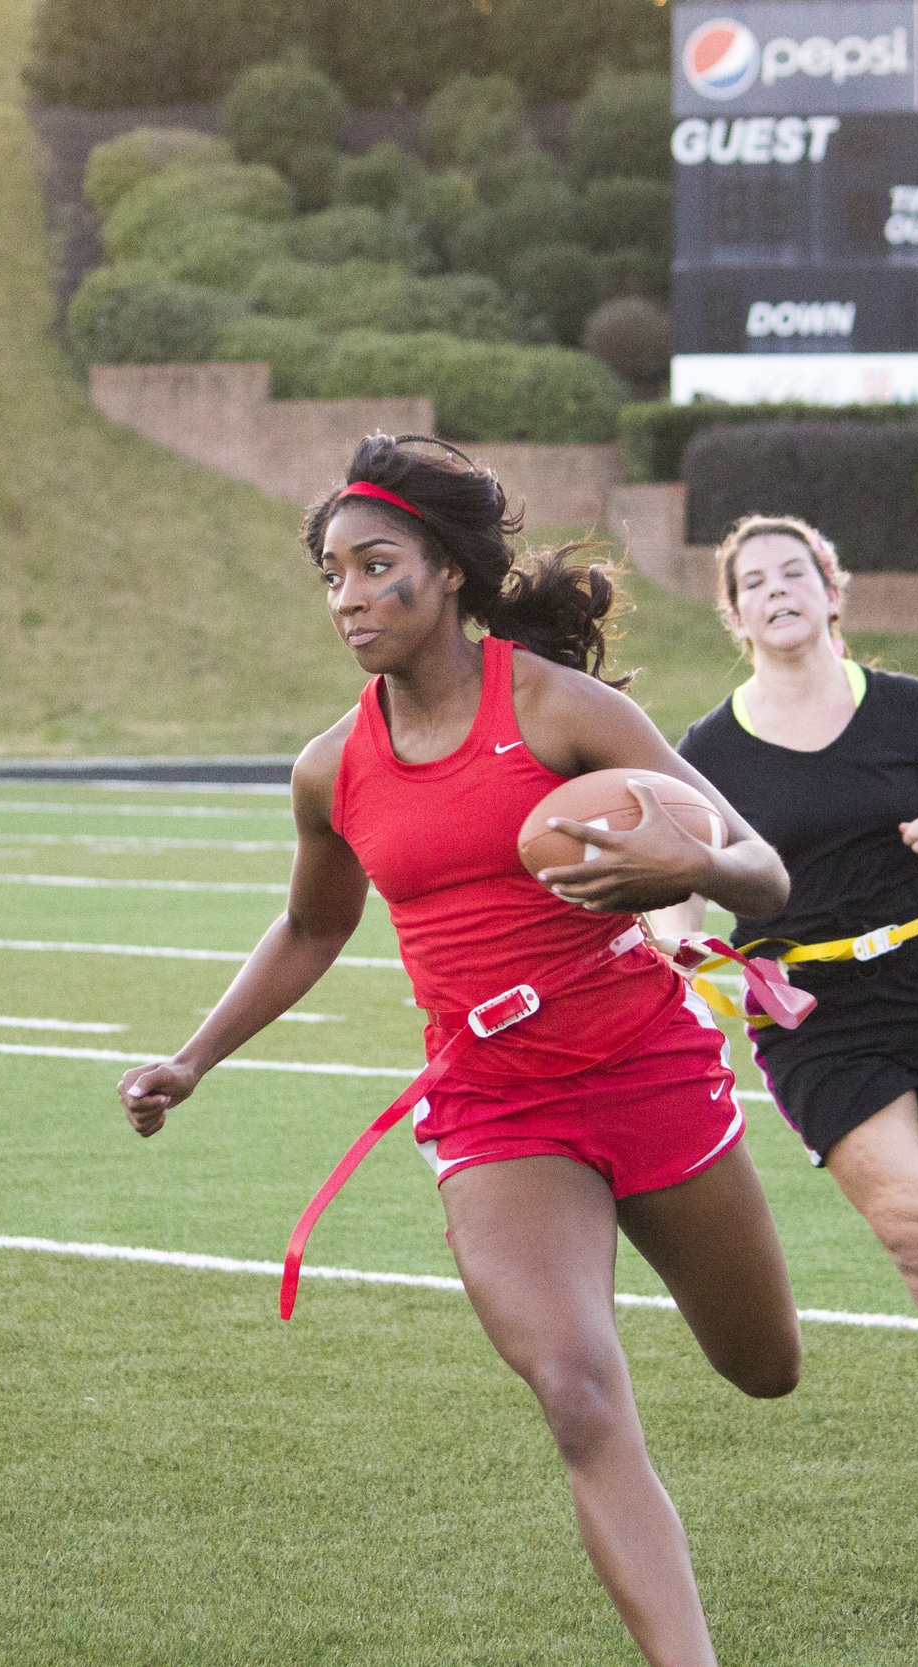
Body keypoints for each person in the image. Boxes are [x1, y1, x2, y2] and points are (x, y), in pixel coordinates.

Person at [117, 436, 803, 1667]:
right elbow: (315, 924)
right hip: (494, 1109)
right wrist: (193, 1057)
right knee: (580, 1395)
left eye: (373, 566)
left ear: (442, 572)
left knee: (764, 1367)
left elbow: (763, 866)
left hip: (644, 1062)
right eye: (329, 574)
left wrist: (690, 863)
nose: (346, 598)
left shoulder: (556, 705)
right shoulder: (332, 766)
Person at [660, 515, 918, 1496]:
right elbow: (683, 874)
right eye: (754, 580)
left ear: (832, 590)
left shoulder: (907, 708)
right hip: (808, 1005)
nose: (778, 589)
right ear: (734, 613)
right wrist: (669, 937)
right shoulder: (705, 749)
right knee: (908, 1218)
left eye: (794, 572)